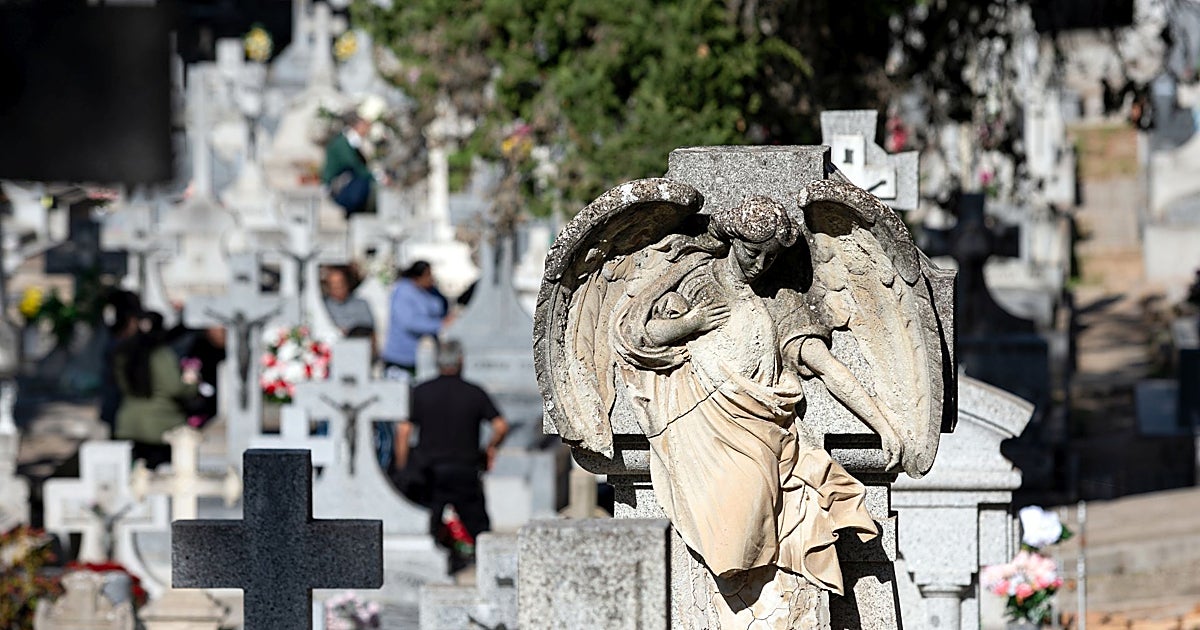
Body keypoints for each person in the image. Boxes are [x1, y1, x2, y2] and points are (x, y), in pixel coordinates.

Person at [394, 340, 508, 574]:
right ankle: (488, 569)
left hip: (429, 471)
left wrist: (402, 466)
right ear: (461, 362)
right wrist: (490, 448)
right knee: (478, 526)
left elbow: (404, 431)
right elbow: (500, 426)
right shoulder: (474, 392)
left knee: (429, 522)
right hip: (464, 469)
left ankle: (428, 569)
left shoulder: (421, 391)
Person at [112, 312, 200, 469]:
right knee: (159, 482)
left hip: (128, 425)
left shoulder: (123, 352)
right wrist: (192, 383)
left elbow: (120, 385)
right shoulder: (161, 354)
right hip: (161, 427)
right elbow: (174, 387)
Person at [381, 261, 448, 376]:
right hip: (401, 358)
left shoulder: (431, 292)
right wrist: (441, 324)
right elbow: (409, 323)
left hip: (425, 357)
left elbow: (439, 307)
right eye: (428, 275)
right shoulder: (403, 292)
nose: (431, 278)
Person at [321, 112, 376, 217]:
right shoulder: (343, 143)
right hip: (340, 188)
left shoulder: (351, 142)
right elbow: (353, 165)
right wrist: (375, 176)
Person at [323, 265, 376, 341]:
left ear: (347, 283)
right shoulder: (323, 306)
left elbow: (371, 333)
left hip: (359, 347)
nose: (337, 288)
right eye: (333, 285)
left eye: (340, 284)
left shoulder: (362, 304)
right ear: (328, 287)